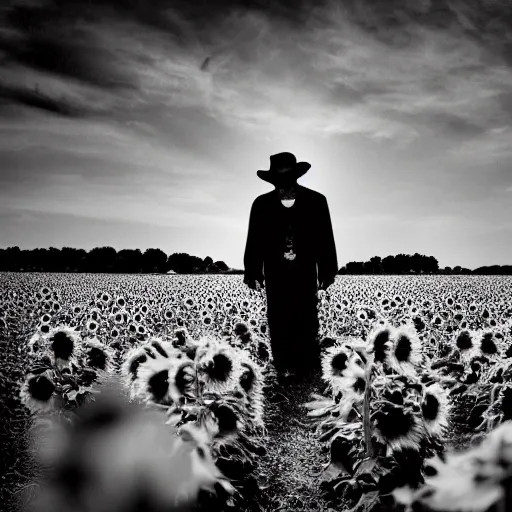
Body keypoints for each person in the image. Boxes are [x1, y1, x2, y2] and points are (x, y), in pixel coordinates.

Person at [243, 152, 338, 381]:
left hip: (305, 270)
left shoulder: (316, 201)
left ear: (296, 175)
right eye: (279, 176)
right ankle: (283, 365)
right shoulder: (261, 204)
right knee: (278, 315)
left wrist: (328, 268)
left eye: (287, 174)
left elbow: (326, 236)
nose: (283, 180)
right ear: (273, 178)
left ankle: (307, 365)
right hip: (276, 271)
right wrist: (252, 269)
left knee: (306, 313)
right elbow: (254, 238)